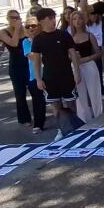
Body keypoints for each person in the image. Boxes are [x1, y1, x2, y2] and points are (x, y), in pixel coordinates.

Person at [30, 7, 82, 136]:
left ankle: (74, 128)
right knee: (55, 105)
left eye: (54, 17)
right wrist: (38, 78)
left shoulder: (63, 34)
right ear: (42, 21)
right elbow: (36, 60)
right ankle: (61, 129)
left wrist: (77, 71)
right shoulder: (38, 39)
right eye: (50, 18)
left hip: (66, 75)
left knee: (71, 103)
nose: (53, 20)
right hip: (49, 77)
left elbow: (73, 54)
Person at [0, 10, 36, 127]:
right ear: (7, 19)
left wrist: (24, 29)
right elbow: (14, 43)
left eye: (17, 17)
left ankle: (39, 116)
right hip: (16, 66)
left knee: (35, 91)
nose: (15, 19)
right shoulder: (3, 32)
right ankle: (25, 119)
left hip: (28, 63)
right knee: (20, 94)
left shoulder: (25, 29)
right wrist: (17, 29)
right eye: (12, 17)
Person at [65, 10, 103, 122]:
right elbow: (66, 55)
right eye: (74, 19)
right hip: (76, 67)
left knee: (94, 91)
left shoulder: (90, 36)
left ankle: (98, 116)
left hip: (89, 65)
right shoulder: (69, 38)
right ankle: (84, 119)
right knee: (80, 95)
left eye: (79, 18)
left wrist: (87, 58)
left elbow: (99, 53)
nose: (77, 21)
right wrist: (73, 57)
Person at [20, 18, 47, 133]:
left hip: (49, 73)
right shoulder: (26, 42)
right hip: (35, 76)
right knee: (37, 101)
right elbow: (31, 56)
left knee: (57, 100)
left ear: (39, 26)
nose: (31, 28)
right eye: (27, 26)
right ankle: (38, 124)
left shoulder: (45, 38)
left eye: (33, 25)